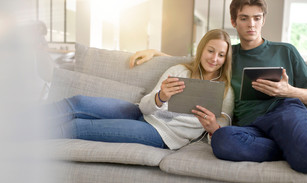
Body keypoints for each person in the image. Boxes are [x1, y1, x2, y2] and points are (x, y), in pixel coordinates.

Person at [129, 0, 307, 173]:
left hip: (284, 113)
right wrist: (157, 53)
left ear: (263, 20)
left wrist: (288, 91)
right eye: (244, 18)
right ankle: (290, 149)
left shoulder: (285, 50)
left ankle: (306, 149)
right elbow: (200, 60)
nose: (251, 24)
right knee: (221, 140)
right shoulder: (228, 55)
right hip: (250, 127)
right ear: (234, 22)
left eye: (257, 18)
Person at [44, 29, 234, 150]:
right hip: (141, 113)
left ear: (226, 58)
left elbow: (222, 130)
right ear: (201, 50)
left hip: (163, 134)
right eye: (210, 51)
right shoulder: (179, 70)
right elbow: (145, 107)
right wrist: (161, 97)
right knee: (78, 103)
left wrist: (212, 128)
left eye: (221, 54)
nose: (214, 58)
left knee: (78, 127)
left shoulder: (225, 91)